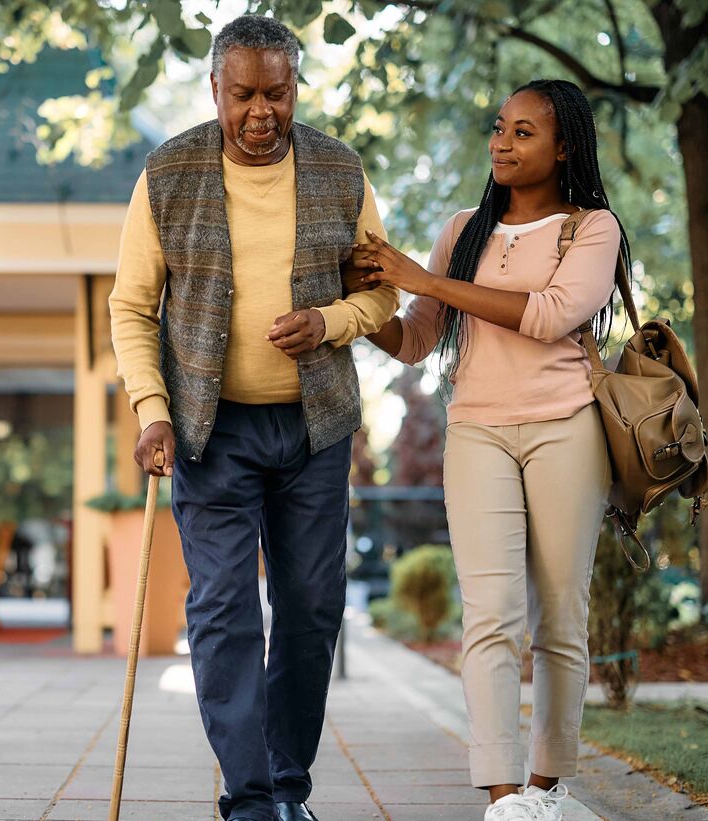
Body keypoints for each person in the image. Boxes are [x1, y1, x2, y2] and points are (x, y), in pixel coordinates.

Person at [107, 15, 397, 821]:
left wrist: (329, 322)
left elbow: (383, 292)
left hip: (315, 427)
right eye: (244, 95)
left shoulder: (341, 170)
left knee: (309, 609)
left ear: (296, 86)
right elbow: (132, 307)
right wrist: (152, 409)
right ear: (215, 90)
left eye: (278, 91)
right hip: (210, 429)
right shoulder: (168, 175)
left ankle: (287, 784)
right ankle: (250, 799)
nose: (262, 111)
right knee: (224, 609)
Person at [351, 79, 626, 821]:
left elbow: (550, 316)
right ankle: (504, 795)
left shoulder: (592, 229)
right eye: (499, 128)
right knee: (492, 615)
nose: (502, 143)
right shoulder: (461, 230)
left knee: (560, 617)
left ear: (564, 145)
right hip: (477, 431)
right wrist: (360, 305)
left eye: (524, 132)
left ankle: (548, 783)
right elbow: (414, 339)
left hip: (567, 428)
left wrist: (425, 277)